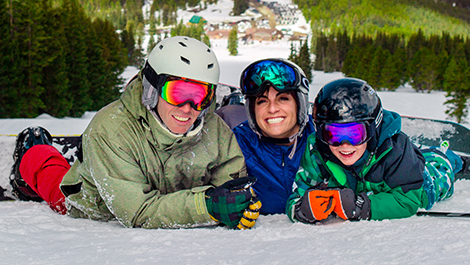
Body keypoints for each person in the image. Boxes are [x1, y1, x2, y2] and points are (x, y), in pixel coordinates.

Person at [9, 36, 261, 229]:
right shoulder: (111, 128)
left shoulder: (214, 128)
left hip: (164, 193)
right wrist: (207, 205)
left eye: (200, 96)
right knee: (54, 182)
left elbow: (232, 183)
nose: (188, 108)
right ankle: (33, 152)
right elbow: (137, 211)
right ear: (152, 89)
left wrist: (237, 204)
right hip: (97, 208)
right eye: (177, 93)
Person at [287, 77, 460, 223]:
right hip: (403, 163)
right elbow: (297, 195)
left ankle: (450, 157)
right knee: (418, 156)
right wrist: (302, 208)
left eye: (355, 134)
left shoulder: (395, 149)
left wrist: (362, 206)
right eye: (333, 134)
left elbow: (408, 200)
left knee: (439, 168)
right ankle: (422, 152)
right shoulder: (316, 151)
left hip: (424, 181)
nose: (345, 145)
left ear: (372, 129)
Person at [231, 58, 315, 215]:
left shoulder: (324, 137)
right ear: (252, 110)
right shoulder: (237, 143)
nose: (272, 108)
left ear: (299, 103)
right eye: (262, 101)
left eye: (283, 98)